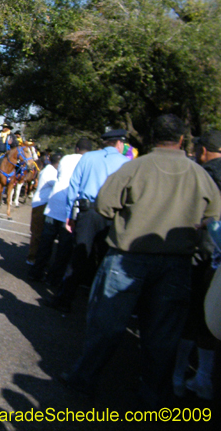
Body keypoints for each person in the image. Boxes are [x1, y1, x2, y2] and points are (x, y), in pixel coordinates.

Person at [61, 115, 221, 407]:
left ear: (150, 138)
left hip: (127, 258)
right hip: (177, 263)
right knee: (163, 334)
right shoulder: (200, 175)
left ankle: (84, 378)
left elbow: (104, 206)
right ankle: (152, 394)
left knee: (106, 324)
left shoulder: (134, 167)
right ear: (183, 140)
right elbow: (214, 216)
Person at [44, 129, 128, 312]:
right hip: (112, 215)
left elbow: (74, 186)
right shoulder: (126, 163)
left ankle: (63, 300)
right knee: (106, 260)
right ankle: (98, 306)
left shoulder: (88, 158)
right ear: (120, 144)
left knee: (79, 256)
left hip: (87, 211)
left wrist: (70, 215)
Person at [172, 129, 221, 400]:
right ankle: (203, 376)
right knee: (211, 321)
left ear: (203, 151)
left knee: (190, 315)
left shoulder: (204, 175)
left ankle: (178, 375)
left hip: (203, 255)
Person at [29, 137, 92, 285]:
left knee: (46, 241)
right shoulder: (90, 162)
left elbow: (59, 176)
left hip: (53, 205)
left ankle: (36, 272)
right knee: (64, 247)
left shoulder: (66, 159)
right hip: (71, 209)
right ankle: (53, 278)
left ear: (76, 148)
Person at [26, 152, 61, 265]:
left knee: (40, 233)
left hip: (44, 204)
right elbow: (58, 184)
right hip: (41, 205)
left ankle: (36, 257)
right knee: (37, 233)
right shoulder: (49, 172)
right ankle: (32, 257)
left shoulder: (52, 170)